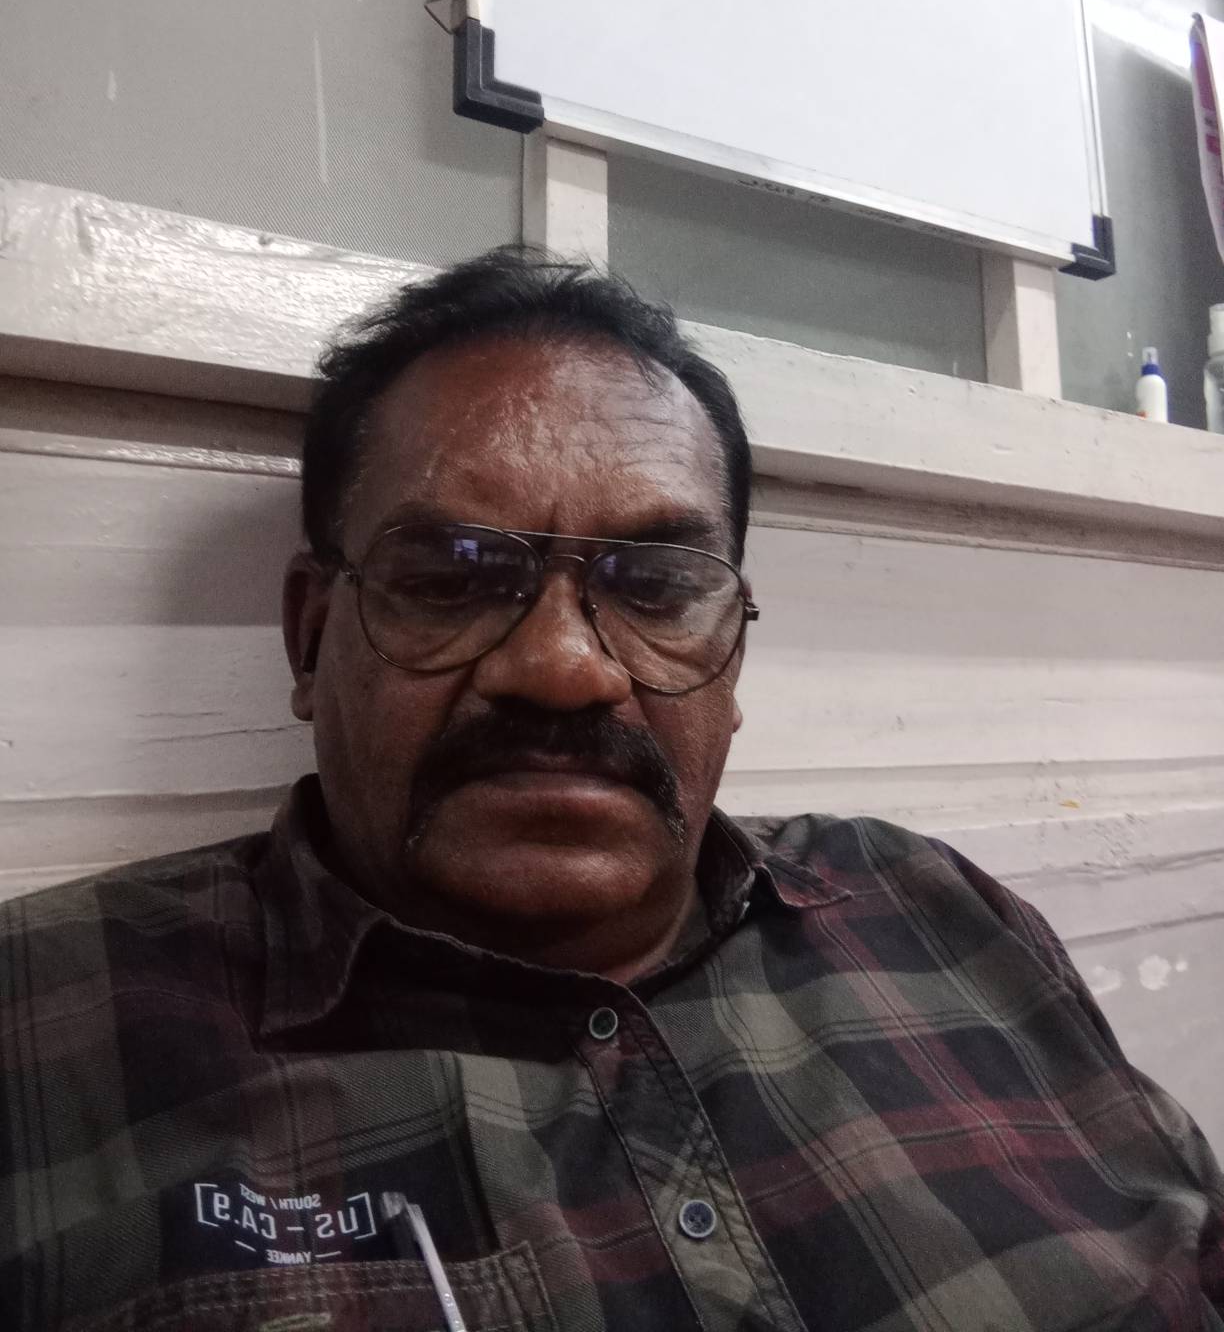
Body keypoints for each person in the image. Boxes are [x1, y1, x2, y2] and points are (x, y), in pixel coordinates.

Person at [1, 247, 1220, 1332]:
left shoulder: (943, 915)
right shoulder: (45, 1025)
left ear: (732, 655)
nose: (563, 669)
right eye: (453, 574)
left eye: (657, 586)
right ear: (312, 638)